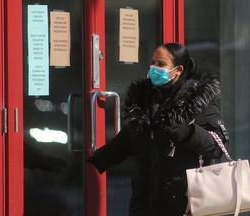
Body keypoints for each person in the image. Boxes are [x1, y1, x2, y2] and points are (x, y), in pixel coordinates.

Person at [88, 42, 230, 215]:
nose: (154, 68)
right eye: (153, 63)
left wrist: (188, 133)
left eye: (161, 64)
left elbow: (218, 145)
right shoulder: (144, 99)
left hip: (185, 202)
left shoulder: (197, 102)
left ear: (178, 70)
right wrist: (98, 159)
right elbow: (131, 137)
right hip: (144, 201)